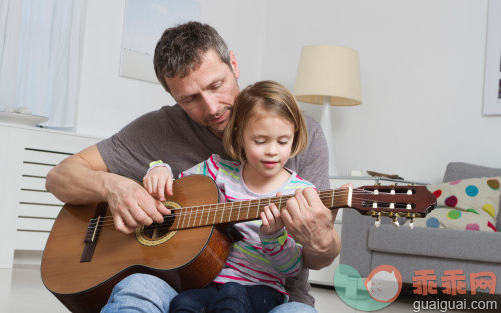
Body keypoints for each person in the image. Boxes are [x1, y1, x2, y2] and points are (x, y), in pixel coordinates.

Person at [45, 21, 340, 312]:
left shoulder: (300, 133)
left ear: (233, 64)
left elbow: (319, 259)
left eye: (216, 85)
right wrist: (115, 186)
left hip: (274, 294)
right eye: (190, 98)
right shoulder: (158, 129)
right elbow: (59, 177)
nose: (211, 107)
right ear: (173, 96)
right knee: (135, 291)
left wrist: (319, 237)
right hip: (177, 285)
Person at [145, 81, 314, 312]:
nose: (272, 151)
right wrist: (159, 168)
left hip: (264, 291)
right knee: (181, 302)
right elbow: (174, 194)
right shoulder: (216, 170)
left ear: (294, 136)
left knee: (232, 294)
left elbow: (292, 269)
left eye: (283, 141)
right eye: (260, 141)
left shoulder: (301, 193)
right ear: (240, 135)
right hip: (210, 283)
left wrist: (273, 237)